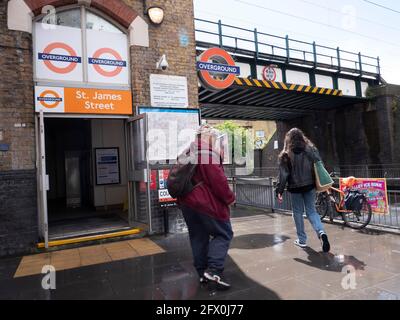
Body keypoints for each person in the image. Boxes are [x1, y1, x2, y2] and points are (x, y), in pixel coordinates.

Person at [177, 125, 235, 290]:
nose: (216, 142)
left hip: (187, 204)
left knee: (198, 237)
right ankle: (214, 270)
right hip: (205, 204)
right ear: (208, 137)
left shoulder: (188, 152)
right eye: (215, 139)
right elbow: (219, 183)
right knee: (224, 233)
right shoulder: (207, 154)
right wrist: (230, 198)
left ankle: (202, 274)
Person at [275, 128, 330, 253]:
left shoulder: (286, 154)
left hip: (295, 188)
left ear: (288, 139)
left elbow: (283, 175)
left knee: (298, 213)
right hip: (310, 186)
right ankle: (321, 232)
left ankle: (302, 240)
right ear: (302, 137)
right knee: (312, 211)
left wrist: (279, 190)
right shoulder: (310, 150)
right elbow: (319, 163)